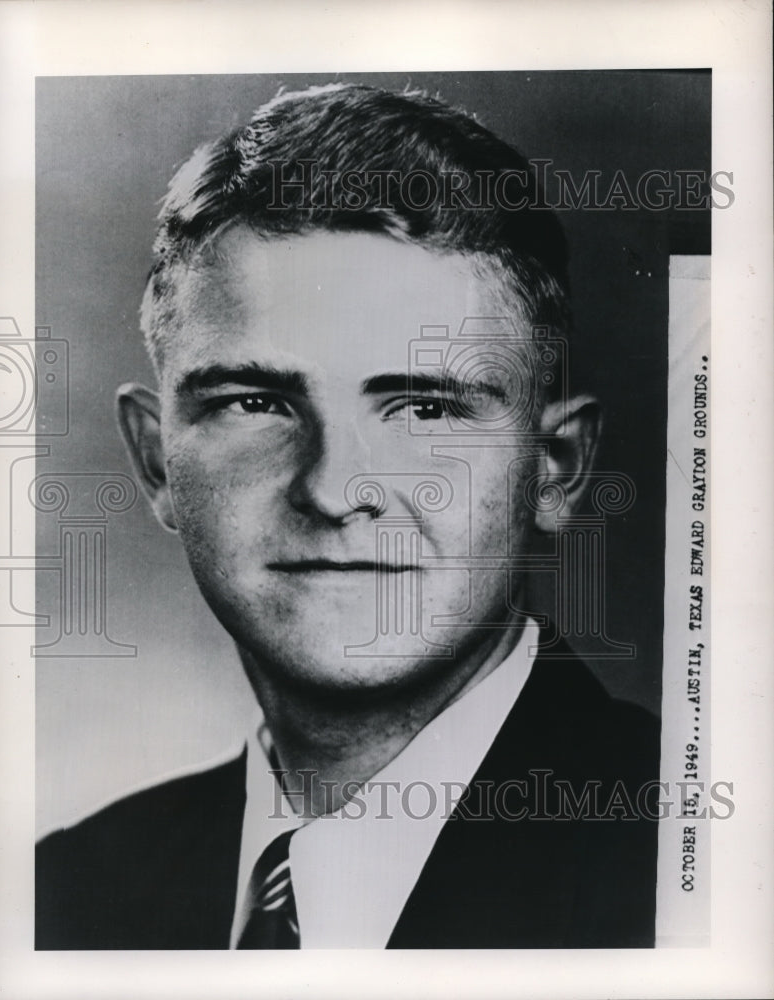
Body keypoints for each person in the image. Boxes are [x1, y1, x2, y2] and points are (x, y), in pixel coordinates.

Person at [36, 82, 660, 950]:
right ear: (155, 460)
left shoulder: (696, 864)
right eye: (257, 402)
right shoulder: (64, 893)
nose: (333, 489)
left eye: (424, 410)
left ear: (552, 469)